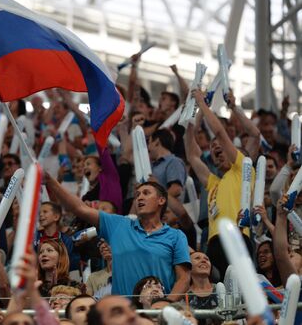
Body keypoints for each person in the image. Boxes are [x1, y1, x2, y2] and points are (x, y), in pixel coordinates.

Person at [46, 176, 191, 300]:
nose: (139, 197)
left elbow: (183, 279)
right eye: (137, 194)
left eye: (146, 193)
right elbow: (80, 208)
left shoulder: (176, 236)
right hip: (122, 315)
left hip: (158, 315)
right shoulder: (118, 224)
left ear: (161, 200)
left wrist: (165, 305)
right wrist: (50, 181)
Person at [185, 89, 253, 278]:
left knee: (240, 291)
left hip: (237, 236)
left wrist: (203, 104)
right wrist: (192, 118)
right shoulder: (213, 182)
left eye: (221, 147)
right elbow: (191, 154)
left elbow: (220, 133)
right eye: (213, 147)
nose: (216, 147)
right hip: (213, 244)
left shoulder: (243, 169)